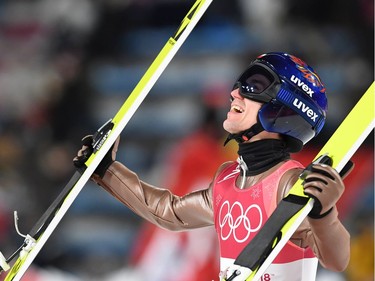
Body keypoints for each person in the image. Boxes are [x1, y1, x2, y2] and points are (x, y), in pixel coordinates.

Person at [74, 52, 351, 281]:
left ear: (283, 110)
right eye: (240, 83)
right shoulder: (227, 179)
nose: (234, 93)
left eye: (253, 86)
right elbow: (170, 213)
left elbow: (337, 259)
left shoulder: (289, 184)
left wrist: (325, 215)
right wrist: (106, 171)